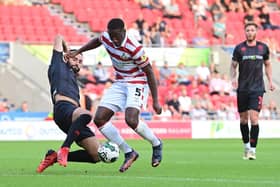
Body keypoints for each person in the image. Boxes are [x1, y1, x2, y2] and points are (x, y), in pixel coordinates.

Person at [67, 18, 163, 172]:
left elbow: (149, 72)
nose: (114, 39)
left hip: (137, 82)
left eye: (117, 36)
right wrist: (79, 51)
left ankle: (157, 144)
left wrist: (156, 100)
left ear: (124, 31)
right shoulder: (107, 37)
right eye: (112, 36)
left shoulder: (135, 48)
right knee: (99, 119)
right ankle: (129, 152)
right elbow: (97, 41)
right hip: (120, 82)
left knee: (131, 119)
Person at [36, 35, 101, 173]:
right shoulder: (58, 65)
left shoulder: (72, 76)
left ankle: (54, 157)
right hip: (63, 109)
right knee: (87, 115)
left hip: (74, 116)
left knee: (97, 154)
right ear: (67, 57)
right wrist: (68, 51)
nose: (78, 62)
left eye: (80, 61)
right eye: (75, 59)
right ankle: (65, 148)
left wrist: (73, 55)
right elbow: (58, 38)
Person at [230, 22, 275, 160]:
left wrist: (271, 81)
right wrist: (233, 78)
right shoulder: (239, 48)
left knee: (254, 118)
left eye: (252, 30)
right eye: (247, 30)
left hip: (257, 89)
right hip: (243, 88)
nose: (250, 32)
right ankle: (246, 147)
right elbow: (233, 66)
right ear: (245, 32)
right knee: (244, 120)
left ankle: (253, 150)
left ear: (256, 32)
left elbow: (267, 64)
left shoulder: (263, 48)